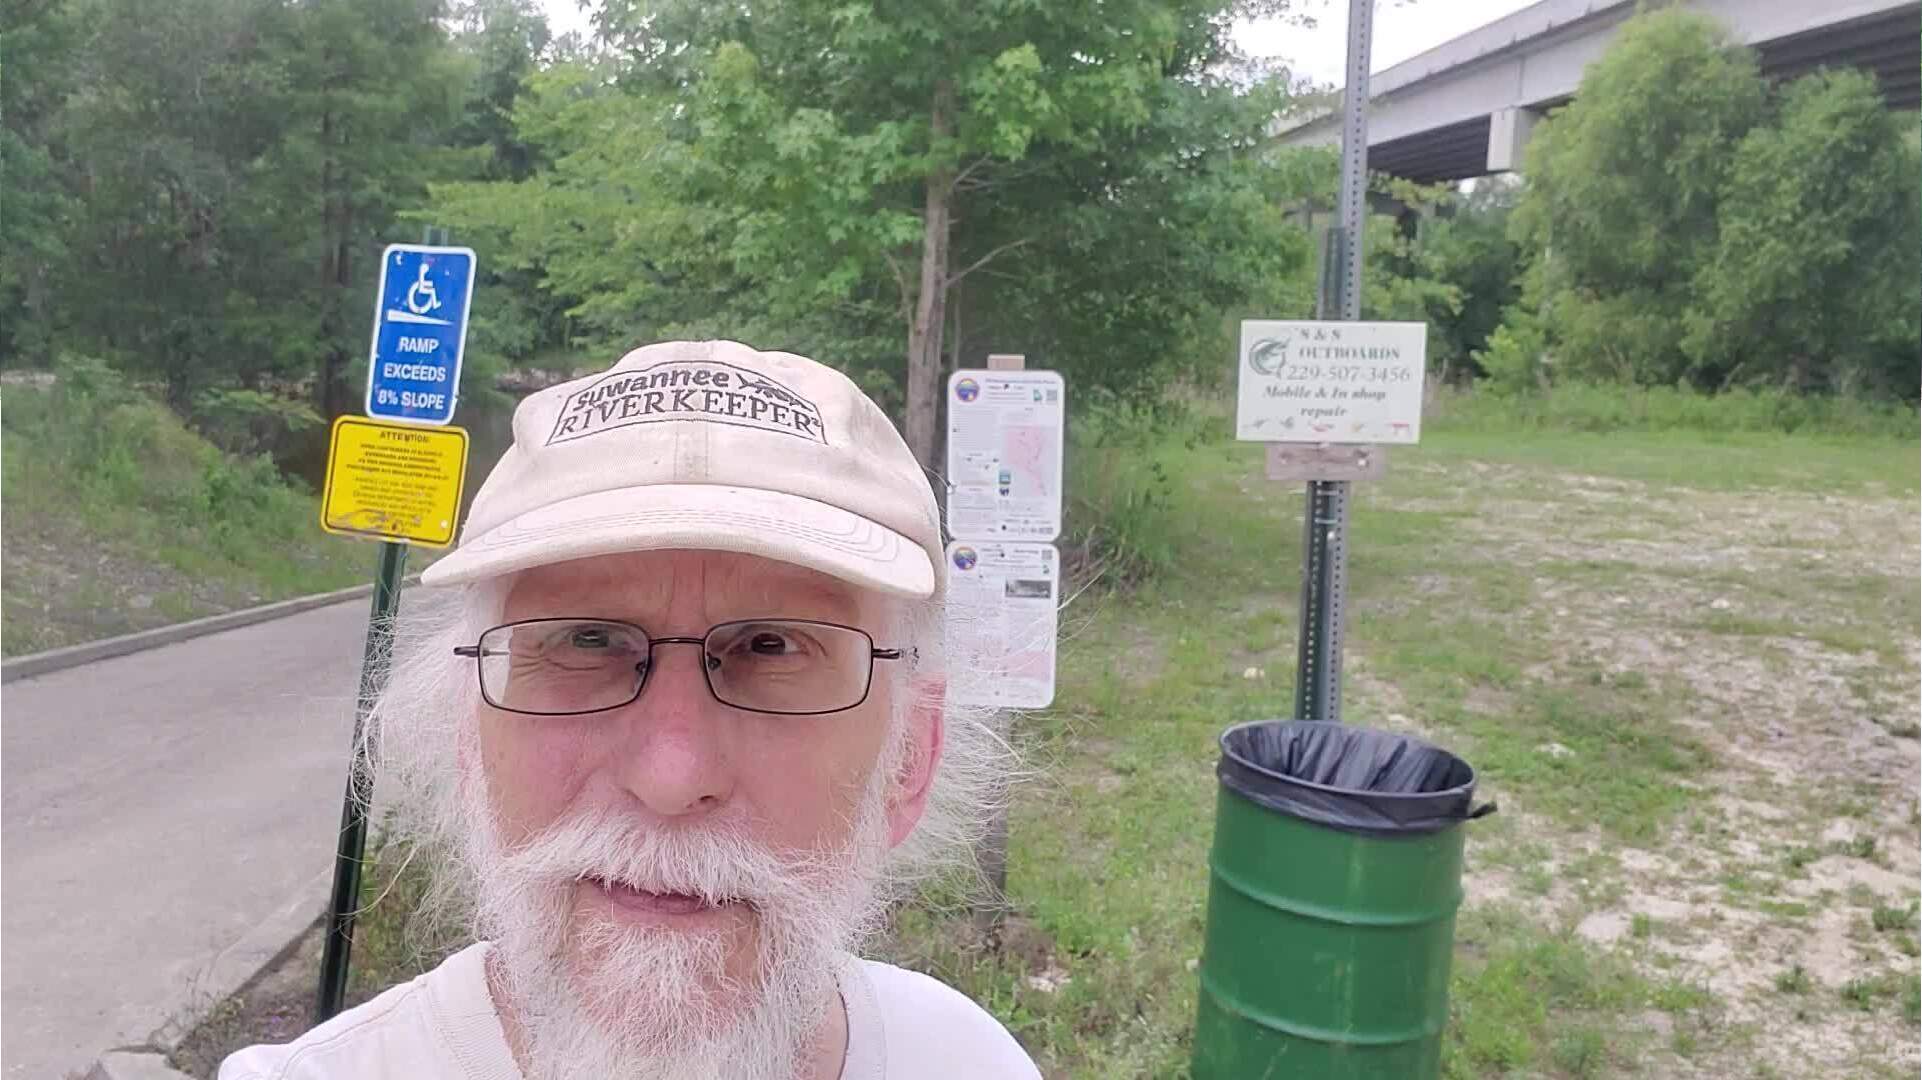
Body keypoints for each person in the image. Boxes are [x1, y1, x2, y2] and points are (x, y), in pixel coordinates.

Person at [221, 341, 1037, 1080]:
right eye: (585, 642)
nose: (671, 778)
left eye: (773, 648)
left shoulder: (972, 1060)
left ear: (909, 759)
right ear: (470, 735)